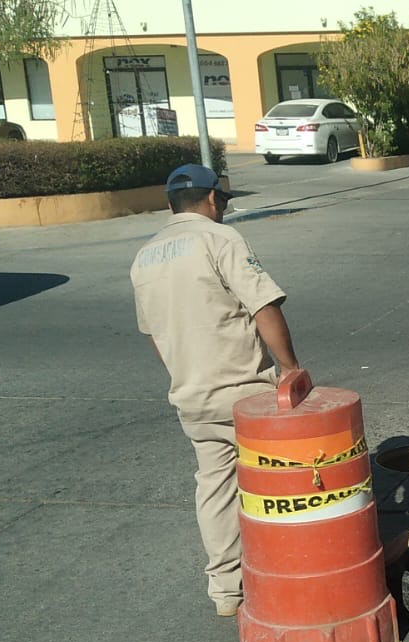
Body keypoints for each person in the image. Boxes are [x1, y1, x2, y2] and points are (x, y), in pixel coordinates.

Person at [131, 164, 300, 617]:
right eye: (221, 201)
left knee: (215, 486)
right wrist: (290, 368)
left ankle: (226, 590)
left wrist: (185, 376)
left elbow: (156, 335)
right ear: (211, 200)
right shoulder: (220, 239)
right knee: (287, 478)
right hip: (245, 393)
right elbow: (263, 306)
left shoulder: (144, 257)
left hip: (191, 396)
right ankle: (294, 572)